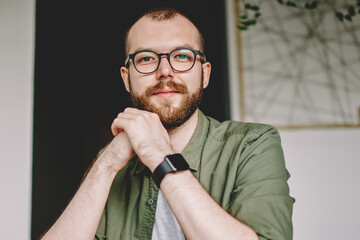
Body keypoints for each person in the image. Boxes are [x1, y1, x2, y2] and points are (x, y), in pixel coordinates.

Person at [41, 7, 294, 240]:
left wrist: (160, 156)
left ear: (204, 73)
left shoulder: (252, 145)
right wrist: (105, 165)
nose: (165, 71)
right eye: (146, 58)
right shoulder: (113, 163)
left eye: (182, 56)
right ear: (127, 79)